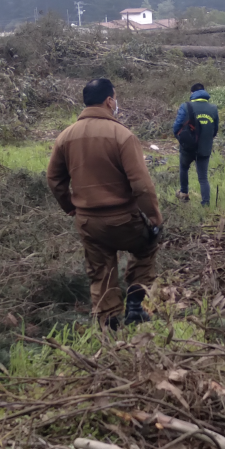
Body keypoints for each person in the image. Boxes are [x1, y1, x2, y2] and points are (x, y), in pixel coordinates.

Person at [47, 78, 163, 330]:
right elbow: (141, 185)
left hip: (88, 221)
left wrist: (69, 206)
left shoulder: (65, 137)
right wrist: (154, 218)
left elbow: (54, 178)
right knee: (147, 248)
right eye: (115, 98)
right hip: (124, 220)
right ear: (109, 101)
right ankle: (134, 306)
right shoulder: (122, 135)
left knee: (101, 270)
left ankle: (109, 323)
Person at [172, 83, 219, 207]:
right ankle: (206, 204)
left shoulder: (186, 106)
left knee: (184, 168)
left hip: (188, 147)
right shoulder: (213, 108)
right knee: (203, 177)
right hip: (205, 148)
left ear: (192, 93)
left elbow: (176, 127)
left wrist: (182, 140)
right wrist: (206, 141)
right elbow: (215, 130)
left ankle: (184, 193)